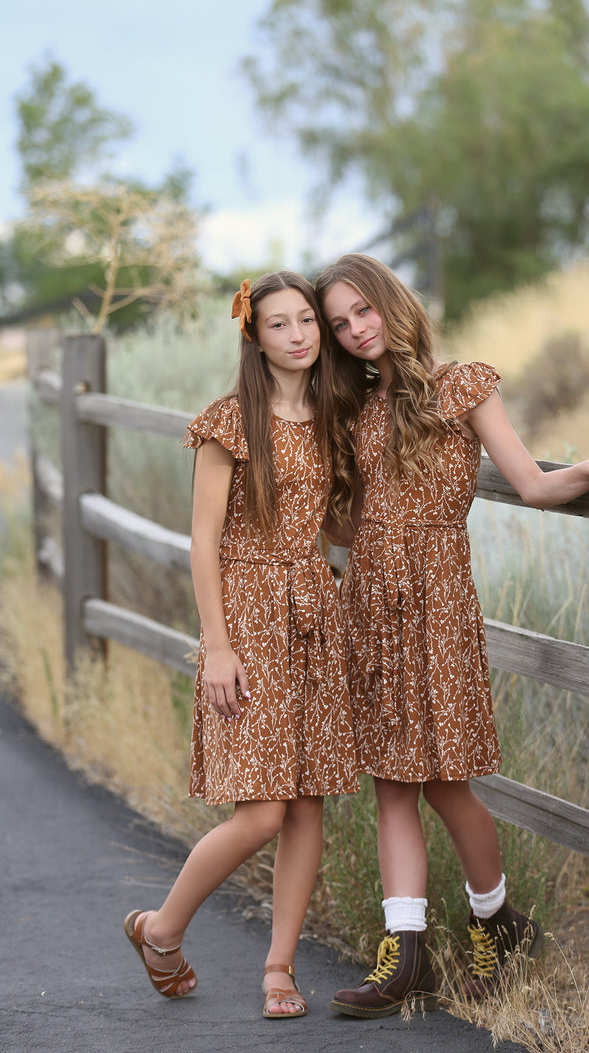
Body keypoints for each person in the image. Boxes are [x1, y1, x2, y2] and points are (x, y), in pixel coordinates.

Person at [315, 253, 589, 1018]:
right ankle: (406, 959)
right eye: (339, 324)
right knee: (390, 781)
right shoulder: (357, 414)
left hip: (438, 604)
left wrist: (588, 467)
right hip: (370, 604)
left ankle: (495, 921)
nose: (355, 330)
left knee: (444, 778)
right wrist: (300, 511)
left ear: (390, 303)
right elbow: (351, 525)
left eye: (360, 311)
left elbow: (531, 482)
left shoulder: (462, 385)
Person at [123, 271, 358, 1018]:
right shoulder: (229, 421)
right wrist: (217, 646)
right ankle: (161, 929)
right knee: (260, 812)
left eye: (306, 322)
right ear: (253, 336)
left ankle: (278, 970)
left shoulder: (332, 414)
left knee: (308, 806)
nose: (297, 335)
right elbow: (201, 539)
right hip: (248, 615)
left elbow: (332, 524)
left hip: (314, 612)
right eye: (279, 324)